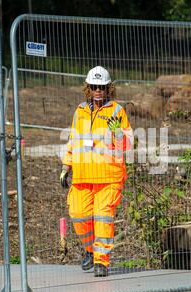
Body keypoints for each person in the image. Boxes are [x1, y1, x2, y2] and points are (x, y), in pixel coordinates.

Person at [59, 66, 132, 277]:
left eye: (101, 87)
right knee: (78, 215)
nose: (97, 90)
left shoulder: (117, 111)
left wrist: (117, 131)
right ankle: (90, 251)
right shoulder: (80, 111)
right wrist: (66, 167)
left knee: (103, 218)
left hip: (109, 177)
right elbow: (74, 141)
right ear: (88, 88)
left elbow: (126, 145)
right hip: (82, 177)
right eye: (94, 87)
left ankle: (102, 262)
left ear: (109, 88)